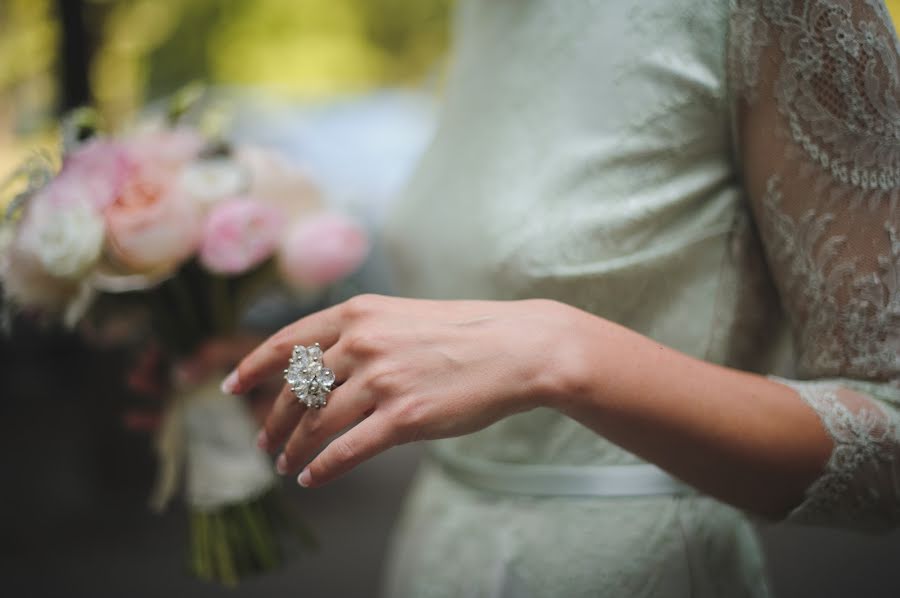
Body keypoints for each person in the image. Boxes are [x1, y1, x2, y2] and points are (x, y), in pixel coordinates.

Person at [220, 1, 900, 596]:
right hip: (439, 552)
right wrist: (287, 380)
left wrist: (560, 349)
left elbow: (889, 435)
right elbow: (475, 326)